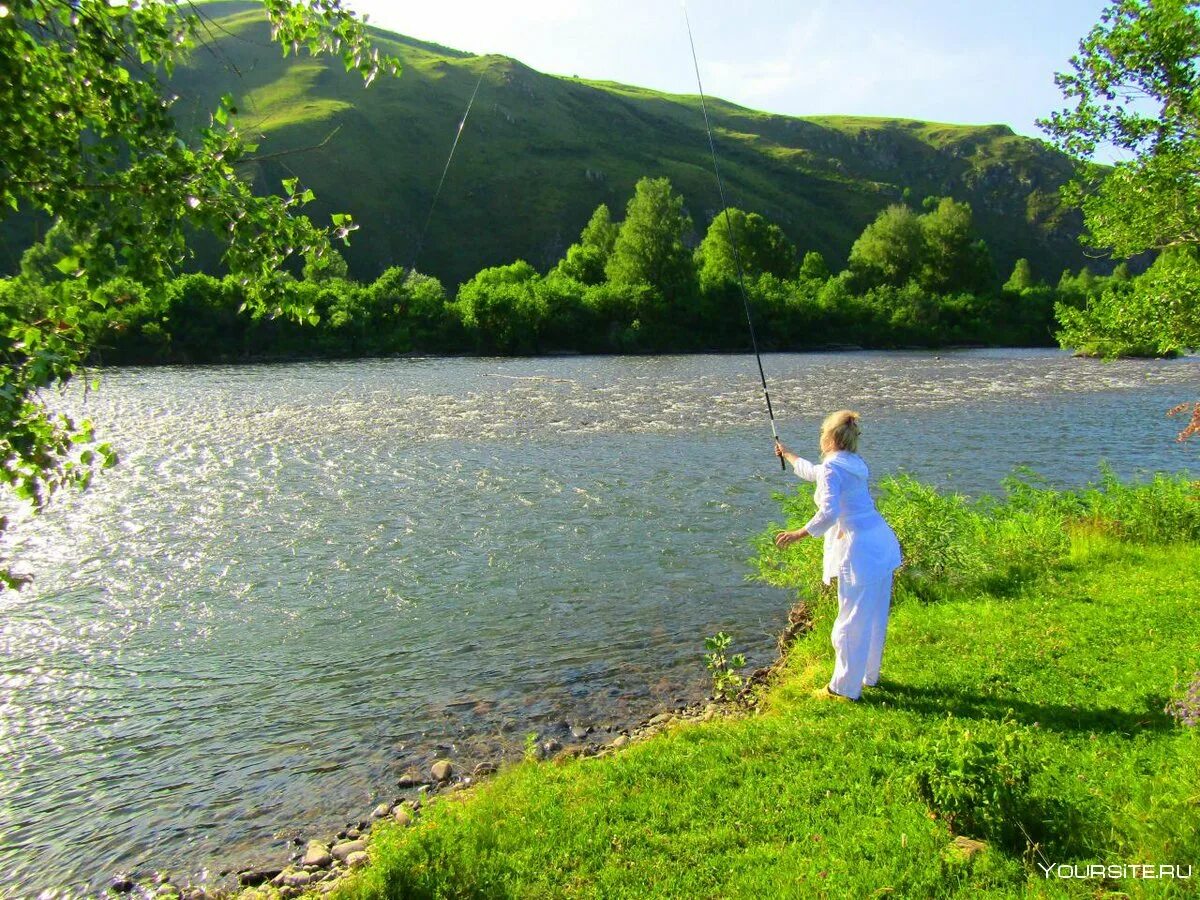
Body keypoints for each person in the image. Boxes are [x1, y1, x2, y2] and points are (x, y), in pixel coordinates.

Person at [773, 410, 902, 701]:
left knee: (849, 621)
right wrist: (789, 455)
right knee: (873, 616)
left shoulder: (834, 467)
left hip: (859, 552)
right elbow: (816, 473)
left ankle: (842, 690)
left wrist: (798, 533)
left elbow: (829, 512)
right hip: (880, 544)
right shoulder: (854, 463)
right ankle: (869, 676)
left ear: (829, 437)